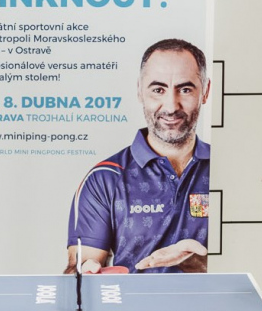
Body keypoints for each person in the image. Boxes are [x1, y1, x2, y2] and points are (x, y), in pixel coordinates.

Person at [66, 38, 211, 274]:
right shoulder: (105, 178)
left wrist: (194, 261)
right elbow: (79, 271)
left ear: (205, 92)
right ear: (140, 92)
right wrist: (86, 274)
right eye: (158, 90)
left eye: (185, 89)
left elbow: (257, 260)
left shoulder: (229, 170)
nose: (171, 106)